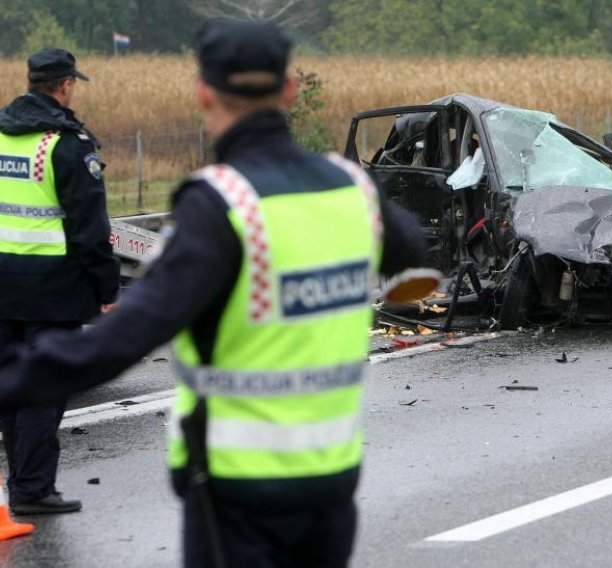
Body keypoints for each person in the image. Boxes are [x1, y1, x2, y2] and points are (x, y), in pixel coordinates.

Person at [0, 19, 426, 567]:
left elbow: (117, 341)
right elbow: (410, 249)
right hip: (332, 479)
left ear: (204, 91)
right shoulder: (351, 187)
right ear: (291, 90)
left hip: (237, 486)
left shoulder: (222, 204)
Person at [0, 48, 120, 515]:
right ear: (66, 85)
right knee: (44, 390)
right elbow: (90, 230)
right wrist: (108, 288)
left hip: (3, 288)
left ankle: (22, 485)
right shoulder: (66, 143)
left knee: (13, 388)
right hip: (52, 292)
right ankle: (31, 490)